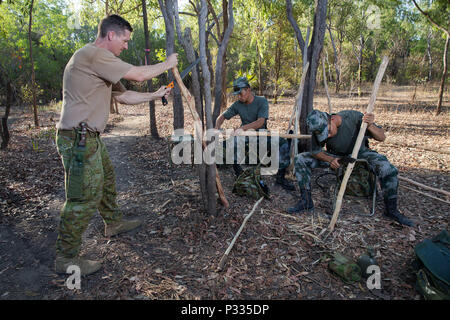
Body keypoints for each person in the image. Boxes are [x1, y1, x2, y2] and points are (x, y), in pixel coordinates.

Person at [55, 14, 178, 276]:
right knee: (82, 197)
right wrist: (167, 63)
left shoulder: (101, 63)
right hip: (78, 140)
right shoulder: (92, 55)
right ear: (111, 35)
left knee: (107, 179)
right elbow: (139, 75)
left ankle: (113, 222)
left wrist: (155, 95)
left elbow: (123, 96)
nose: (125, 45)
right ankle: (65, 258)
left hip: (89, 138)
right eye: (124, 39)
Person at [287, 109, 414, 227]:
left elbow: (382, 137)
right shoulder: (318, 127)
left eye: (329, 132)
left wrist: (370, 125)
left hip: (362, 154)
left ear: (332, 119)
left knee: (388, 169)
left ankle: (391, 210)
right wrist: (330, 159)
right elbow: (315, 151)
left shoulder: (354, 118)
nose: (328, 136)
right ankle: (306, 202)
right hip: (337, 156)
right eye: (324, 135)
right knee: (300, 159)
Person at [214, 77, 294, 190]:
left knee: (283, 143)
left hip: (262, 134)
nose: (239, 96)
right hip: (245, 136)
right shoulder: (238, 104)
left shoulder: (261, 101)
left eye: (241, 93)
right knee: (224, 146)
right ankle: (239, 174)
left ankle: (281, 177)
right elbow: (222, 116)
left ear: (248, 90)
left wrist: (242, 128)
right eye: (237, 94)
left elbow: (260, 122)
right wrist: (217, 127)